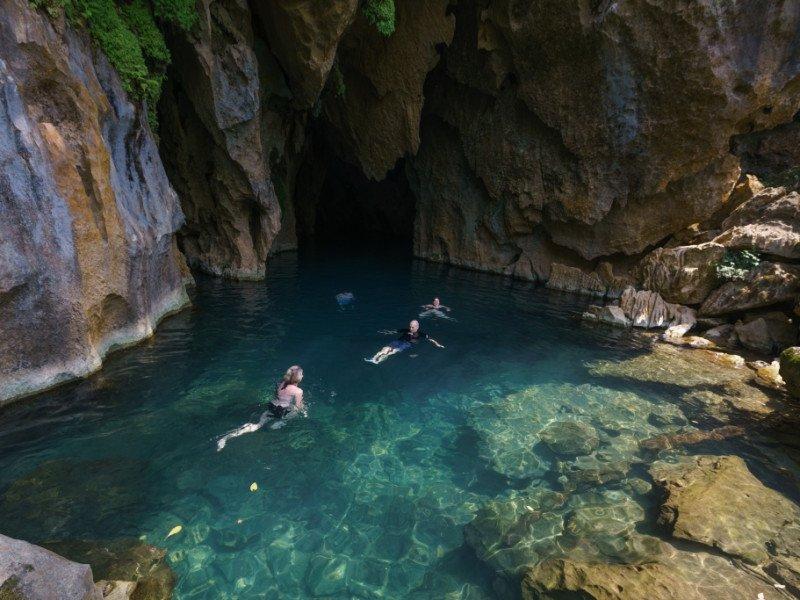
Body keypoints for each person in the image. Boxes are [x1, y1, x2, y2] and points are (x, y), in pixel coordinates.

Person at [216, 365, 306, 450]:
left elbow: (276, 395)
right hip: (281, 411)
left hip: (271, 406)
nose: (302, 375)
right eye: (301, 374)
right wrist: (304, 411)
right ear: (297, 378)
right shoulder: (298, 391)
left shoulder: (281, 383)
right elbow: (299, 406)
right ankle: (281, 422)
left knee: (257, 425)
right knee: (296, 411)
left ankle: (225, 438)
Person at [365, 320, 444, 364]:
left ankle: (377, 361)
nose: (410, 328)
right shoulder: (406, 330)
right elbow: (395, 331)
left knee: (391, 352)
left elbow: (430, 338)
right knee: (385, 349)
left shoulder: (421, 334)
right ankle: (373, 358)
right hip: (398, 341)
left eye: (412, 327)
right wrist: (386, 332)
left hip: (406, 344)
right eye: (410, 326)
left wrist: (437, 344)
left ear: (417, 326)